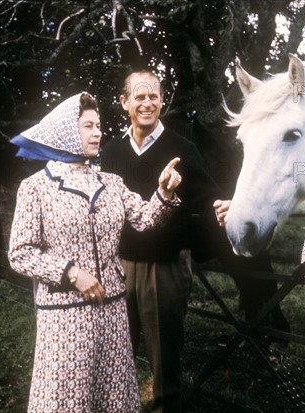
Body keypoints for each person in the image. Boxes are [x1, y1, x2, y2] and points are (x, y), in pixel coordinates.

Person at [8, 92, 183, 413]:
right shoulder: (36, 187)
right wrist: (71, 273)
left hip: (114, 311)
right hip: (64, 316)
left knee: (114, 398)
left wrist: (164, 192)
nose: (98, 132)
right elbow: (20, 252)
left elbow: (145, 221)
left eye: (99, 125)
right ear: (65, 131)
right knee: (66, 400)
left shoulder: (111, 183)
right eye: (87, 126)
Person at [100, 70, 230, 413]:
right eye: (139, 97)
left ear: (162, 100)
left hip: (166, 267)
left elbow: (208, 198)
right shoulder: (110, 152)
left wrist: (223, 208)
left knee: (165, 360)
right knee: (117, 353)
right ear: (124, 103)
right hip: (119, 267)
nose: (147, 103)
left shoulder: (182, 149)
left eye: (154, 96)